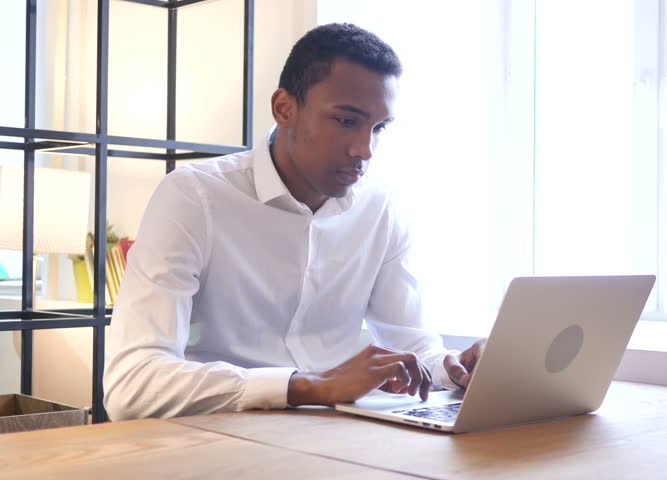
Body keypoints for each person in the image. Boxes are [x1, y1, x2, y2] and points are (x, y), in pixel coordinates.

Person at [103, 23, 485, 421]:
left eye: (378, 128)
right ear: (284, 108)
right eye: (345, 121)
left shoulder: (380, 207)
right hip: (218, 436)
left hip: (342, 436)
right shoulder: (194, 197)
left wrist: (453, 368)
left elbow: (413, 345)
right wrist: (310, 386)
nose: (364, 150)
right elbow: (132, 385)